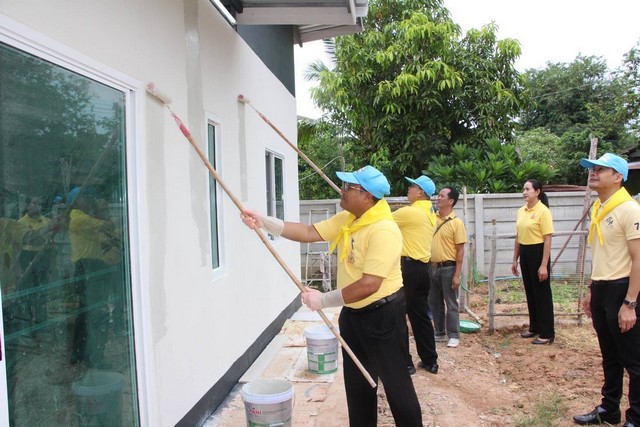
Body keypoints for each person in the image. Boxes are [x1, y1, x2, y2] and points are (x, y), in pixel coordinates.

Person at [241, 165, 423, 426]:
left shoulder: (383, 229)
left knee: (396, 385)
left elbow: (370, 284)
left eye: (349, 187)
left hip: (383, 316)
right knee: (358, 386)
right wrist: (264, 221)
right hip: (353, 315)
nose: (343, 190)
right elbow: (308, 232)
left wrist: (323, 300)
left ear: (367, 196)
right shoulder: (350, 219)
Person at [573, 153, 640, 427]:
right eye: (593, 168)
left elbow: (638, 258)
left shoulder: (629, 209)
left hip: (622, 290)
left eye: (601, 169)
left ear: (618, 177)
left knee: (634, 360)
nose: (593, 172)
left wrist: (630, 303)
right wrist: (592, 288)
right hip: (602, 288)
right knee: (610, 355)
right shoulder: (601, 208)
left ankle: (636, 418)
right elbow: (602, 254)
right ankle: (609, 408)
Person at [392, 175, 438, 374]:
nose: (408, 189)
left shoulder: (410, 212)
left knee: (397, 314)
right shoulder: (430, 212)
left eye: (412, 186)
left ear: (420, 192)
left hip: (407, 269)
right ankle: (430, 360)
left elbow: (380, 220)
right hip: (423, 270)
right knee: (420, 316)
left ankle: (405, 363)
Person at [511, 179, 555, 345]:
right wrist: (515, 259)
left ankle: (547, 333)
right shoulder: (521, 211)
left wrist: (543, 265)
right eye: (523, 189)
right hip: (525, 252)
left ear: (537, 192)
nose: (524, 192)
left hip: (538, 253)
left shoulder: (543, 211)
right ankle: (535, 327)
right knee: (530, 291)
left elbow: (547, 239)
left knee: (542, 293)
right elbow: (518, 236)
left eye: (528, 189)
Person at [428, 187, 467, 348]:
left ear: (450, 201)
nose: (438, 197)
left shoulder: (456, 223)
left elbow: (460, 250)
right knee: (434, 302)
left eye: (442, 196)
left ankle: (453, 334)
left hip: (448, 268)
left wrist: (457, 275)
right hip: (432, 267)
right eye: (438, 195)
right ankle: (439, 332)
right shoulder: (432, 219)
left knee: (451, 303)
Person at [17, 196, 52, 331]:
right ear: (28, 206)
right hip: (26, 257)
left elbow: (50, 243)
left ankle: (42, 325)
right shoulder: (20, 223)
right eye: (35, 203)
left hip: (43, 256)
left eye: (40, 203)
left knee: (42, 292)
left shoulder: (47, 222)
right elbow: (26, 240)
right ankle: (26, 327)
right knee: (26, 293)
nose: (38, 206)